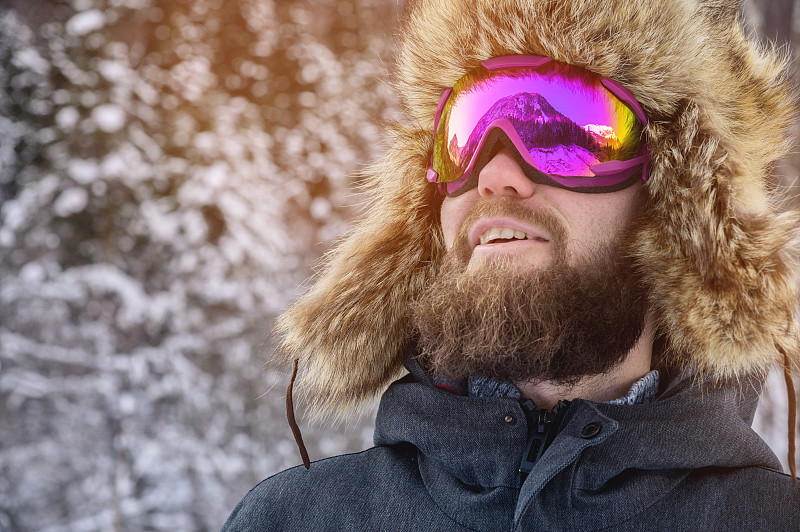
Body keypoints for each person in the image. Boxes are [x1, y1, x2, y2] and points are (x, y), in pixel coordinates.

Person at [223, 0, 800, 529]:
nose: (496, 175)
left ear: (678, 202)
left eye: (562, 132)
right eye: (466, 133)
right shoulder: (294, 520)